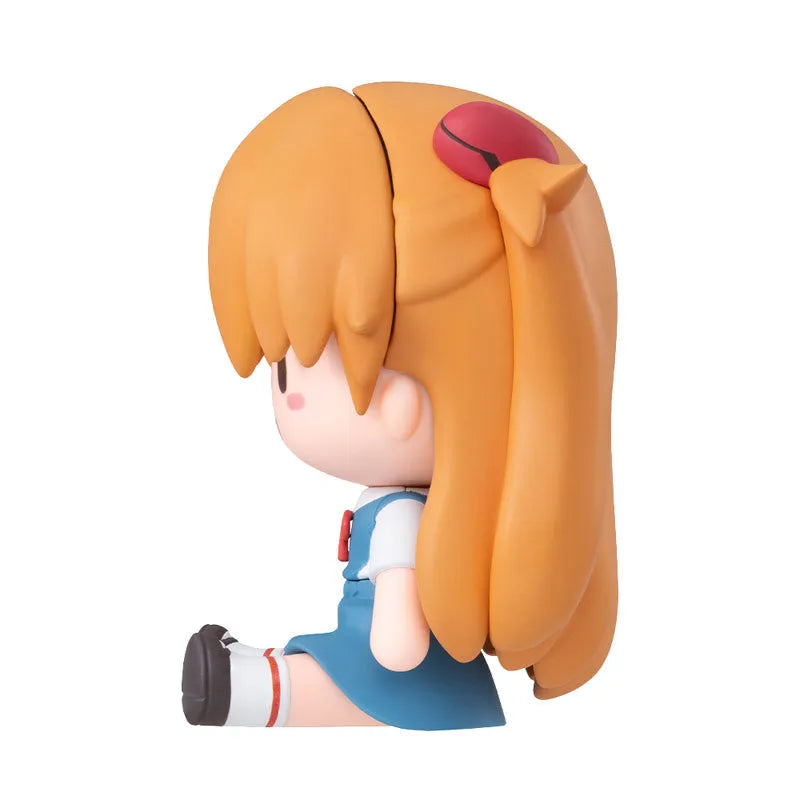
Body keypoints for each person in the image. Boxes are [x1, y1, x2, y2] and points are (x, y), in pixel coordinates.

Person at [181, 82, 618, 730]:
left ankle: (243, 689)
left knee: (319, 682)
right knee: (319, 665)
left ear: (400, 402)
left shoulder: (404, 520)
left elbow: (400, 646)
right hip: (408, 681)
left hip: (399, 687)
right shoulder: (414, 513)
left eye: (294, 363)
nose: (283, 386)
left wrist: (389, 628)